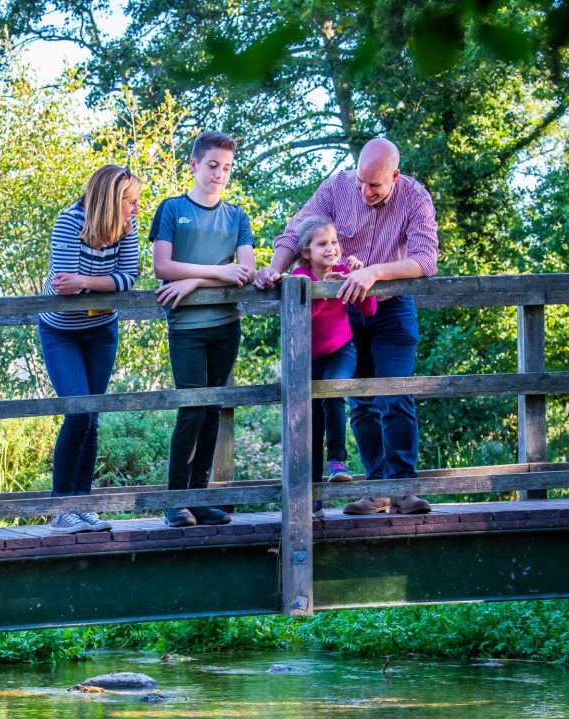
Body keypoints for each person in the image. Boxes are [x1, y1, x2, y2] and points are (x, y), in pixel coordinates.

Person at [255, 138, 439, 515]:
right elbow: (296, 232)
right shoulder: (337, 187)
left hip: (391, 307)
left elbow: (426, 259)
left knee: (395, 395)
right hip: (345, 309)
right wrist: (275, 269)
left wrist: (375, 272)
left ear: (395, 176)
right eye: (361, 182)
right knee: (360, 401)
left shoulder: (415, 197)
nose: (365, 191)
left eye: (375, 185)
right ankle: (376, 491)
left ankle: (402, 486)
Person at [151, 130, 256, 528]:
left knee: (213, 410)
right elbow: (163, 267)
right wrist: (217, 272)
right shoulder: (172, 209)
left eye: (226, 168)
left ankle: (200, 498)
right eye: (212, 166)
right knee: (192, 409)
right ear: (194, 165)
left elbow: (243, 273)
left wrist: (194, 280)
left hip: (226, 325)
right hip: (186, 328)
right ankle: (176, 501)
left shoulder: (237, 217)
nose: (219, 174)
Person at [40, 165, 141, 533]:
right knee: (78, 412)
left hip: (101, 330)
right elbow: (62, 284)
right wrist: (98, 284)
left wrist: (85, 280)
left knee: (93, 414)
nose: (135, 210)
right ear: (111, 199)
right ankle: (61, 509)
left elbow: (128, 277)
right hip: (61, 332)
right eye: (130, 202)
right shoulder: (69, 222)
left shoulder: (126, 229)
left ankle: (83, 505)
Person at [290, 216, 377, 518]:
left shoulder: (343, 271)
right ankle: (314, 500)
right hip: (308, 358)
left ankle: (337, 461)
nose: (332, 249)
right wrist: (324, 292)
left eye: (335, 242)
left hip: (342, 350)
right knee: (311, 420)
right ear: (306, 251)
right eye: (323, 244)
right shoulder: (300, 276)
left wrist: (359, 278)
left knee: (334, 392)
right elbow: (304, 317)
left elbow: (369, 309)